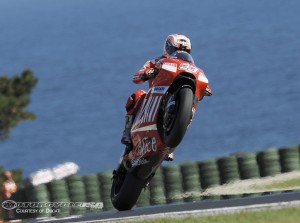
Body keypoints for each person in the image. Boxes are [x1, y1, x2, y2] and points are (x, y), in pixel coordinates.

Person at [120, 34, 212, 160]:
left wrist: (205, 88)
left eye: (185, 51)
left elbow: (203, 84)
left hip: (175, 94)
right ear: (168, 48)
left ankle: (170, 141)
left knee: (191, 107)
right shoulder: (155, 61)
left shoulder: (191, 68)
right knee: (137, 95)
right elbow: (136, 77)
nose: (181, 53)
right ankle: (127, 132)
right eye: (177, 50)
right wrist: (146, 73)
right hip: (154, 96)